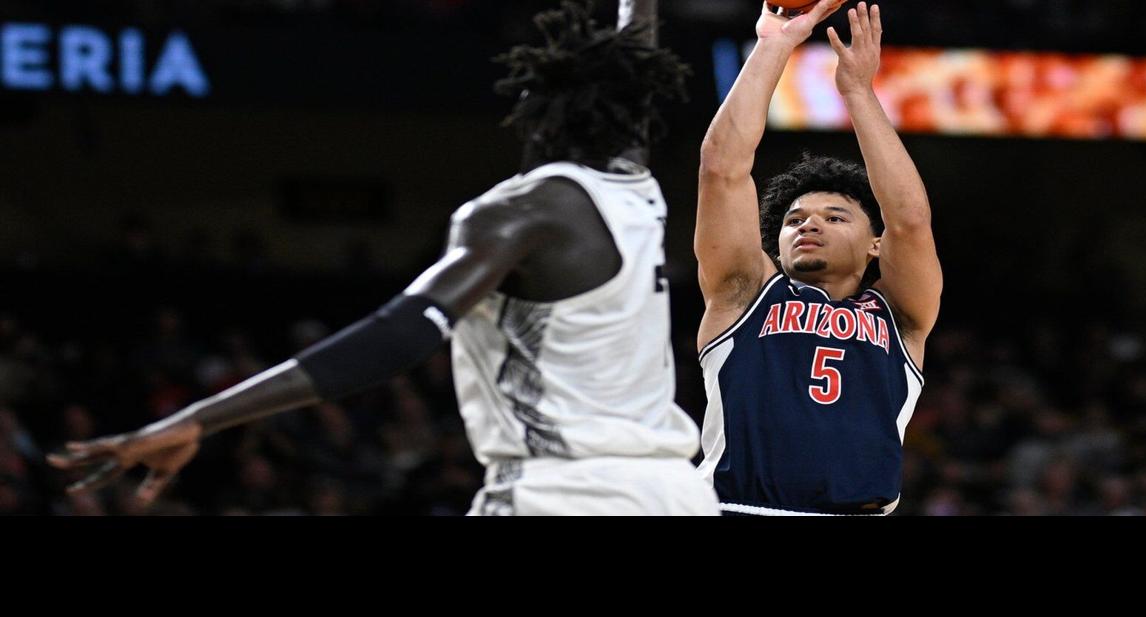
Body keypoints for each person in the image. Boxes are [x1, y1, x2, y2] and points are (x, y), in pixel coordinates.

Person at [48, 0, 720, 516]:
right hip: (674, 492)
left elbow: (399, 335)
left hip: (563, 493)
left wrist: (197, 418)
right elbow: (637, 69)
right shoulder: (637, 190)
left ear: (538, 114)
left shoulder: (513, 214)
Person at [693, 1, 943, 515]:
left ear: (876, 243)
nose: (808, 223)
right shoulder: (744, 292)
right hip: (739, 508)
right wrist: (775, 45)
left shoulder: (900, 316)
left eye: (835, 217)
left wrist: (858, 93)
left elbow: (910, 219)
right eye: (794, 219)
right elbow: (722, 168)